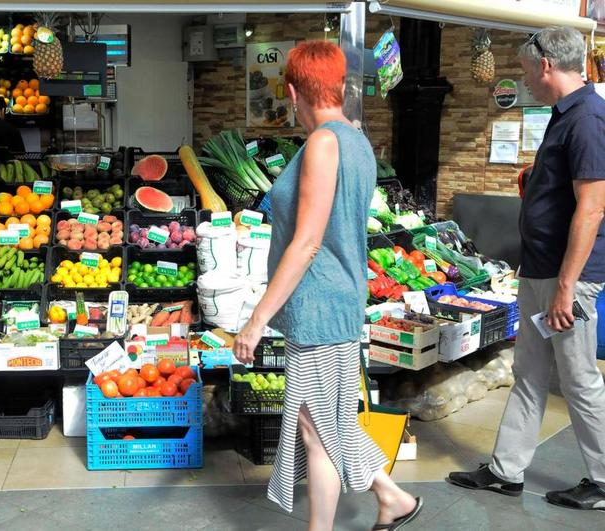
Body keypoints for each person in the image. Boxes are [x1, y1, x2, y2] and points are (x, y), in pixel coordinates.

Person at [232, 40, 422, 531]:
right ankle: (392, 497)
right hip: (338, 299)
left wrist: (256, 322)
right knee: (328, 419)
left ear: (293, 92)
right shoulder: (356, 138)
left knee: (317, 432)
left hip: (317, 305)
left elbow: (308, 241)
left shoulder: (322, 143)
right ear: (338, 85)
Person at [448, 26, 605, 511]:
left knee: (578, 378)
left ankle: (602, 480)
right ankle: (505, 471)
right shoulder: (563, 115)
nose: (524, 79)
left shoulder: (588, 119)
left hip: (565, 279)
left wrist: (566, 286)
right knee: (529, 373)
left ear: (545, 66)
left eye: (524, 69)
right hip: (540, 271)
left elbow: (593, 207)